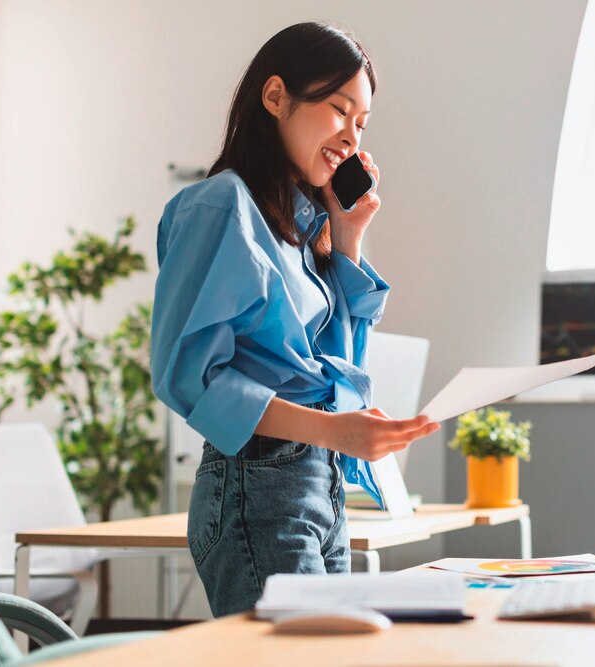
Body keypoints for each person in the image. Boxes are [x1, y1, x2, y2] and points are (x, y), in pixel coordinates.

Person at [150, 21, 439, 617]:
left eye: (362, 125)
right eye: (340, 110)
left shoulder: (305, 229)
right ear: (276, 96)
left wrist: (347, 236)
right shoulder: (218, 206)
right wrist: (331, 431)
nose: (352, 139)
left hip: (318, 482)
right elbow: (187, 376)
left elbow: (340, 365)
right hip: (256, 486)